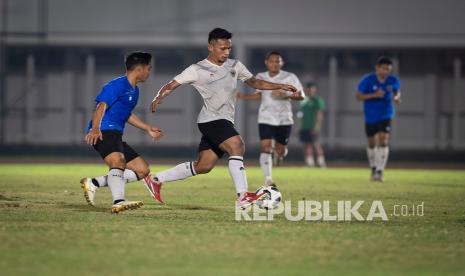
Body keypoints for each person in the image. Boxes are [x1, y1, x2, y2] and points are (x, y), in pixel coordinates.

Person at [143, 28, 298, 209]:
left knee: (204, 165)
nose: (226, 52)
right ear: (211, 47)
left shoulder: (235, 66)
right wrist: (159, 96)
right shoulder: (197, 69)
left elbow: (255, 82)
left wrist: (279, 85)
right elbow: (172, 84)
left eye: (228, 48)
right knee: (237, 146)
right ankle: (242, 197)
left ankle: (155, 179)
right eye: (222, 48)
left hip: (223, 120)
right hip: (211, 120)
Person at [81, 52, 163, 214]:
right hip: (103, 131)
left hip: (116, 134)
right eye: (149, 68)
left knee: (142, 170)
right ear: (139, 69)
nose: (149, 72)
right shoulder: (117, 85)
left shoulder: (135, 91)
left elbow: (126, 114)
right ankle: (118, 201)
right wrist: (95, 128)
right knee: (118, 162)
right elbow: (100, 107)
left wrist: (147, 128)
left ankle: (94, 183)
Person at [236, 51, 304, 186]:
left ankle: (279, 156)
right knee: (266, 147)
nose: (274, 64)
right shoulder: (261, 76)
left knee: (281, 149)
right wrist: (243, 96)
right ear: (266, 62)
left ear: (282, 63)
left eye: (277, 61)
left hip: (284, 119)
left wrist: (285, 95)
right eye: (272, 61)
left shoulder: (290, 77)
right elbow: (259, 95)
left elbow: (301, 96)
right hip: (266, 118)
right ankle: (268, 179)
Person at [356, 56, 401, 182]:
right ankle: (373, 168)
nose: (386, 71)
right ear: (377, 68)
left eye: (388, 69)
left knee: (384, 139)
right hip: (370, 115)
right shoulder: (368, 80)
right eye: (384, 68)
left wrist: (397, 97)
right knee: (371, 143)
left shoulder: (393, 80)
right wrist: (373, 95)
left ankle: (380, 171)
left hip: (385, 114)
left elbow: (397, 92)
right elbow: (358, 96)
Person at [297, 82, 326, 167]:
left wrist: (316, 127)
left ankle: (321, 162)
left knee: (315, 144)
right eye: (308, 89)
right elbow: (301, 114)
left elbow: (319, 114)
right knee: (306, 144)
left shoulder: (317, 100)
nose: (310, 91)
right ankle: (310, 162)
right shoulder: (303, 100)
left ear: (315, 90)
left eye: (312, 90)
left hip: (312, 126)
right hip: (304, 126)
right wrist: (299, 126)